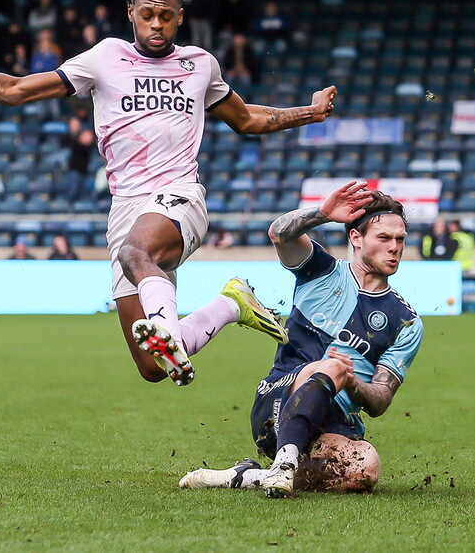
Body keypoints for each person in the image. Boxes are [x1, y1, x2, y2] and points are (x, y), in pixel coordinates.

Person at [0, 0, 336, 388]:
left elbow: (247, 120)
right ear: (131, 12)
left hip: (179, 196)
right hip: (126, 207)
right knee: (152, 367)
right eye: (147, 15)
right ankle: (230, 303)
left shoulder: (199, 65)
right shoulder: (104, 58)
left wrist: (310, 113)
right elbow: (16, 90)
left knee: (135, 254)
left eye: (166, 17)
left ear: (179, 18)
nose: (157, 24)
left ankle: (167, 328)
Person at [178, 183, 423, 497]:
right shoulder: (321, 271)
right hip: (278, 405)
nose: (394, 248)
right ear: (356, 238)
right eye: (384, 238)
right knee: (332, 366)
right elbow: (280, 233)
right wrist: (321, 214)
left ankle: (248, 476)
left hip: (336, 422)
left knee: (365, 470)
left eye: (400, 239)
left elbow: (380, 399)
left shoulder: (406, 321)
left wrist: (353, 384)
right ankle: (283, 463)